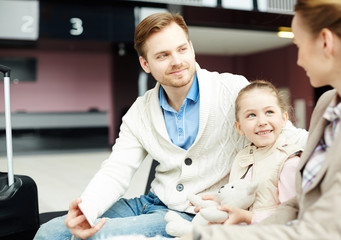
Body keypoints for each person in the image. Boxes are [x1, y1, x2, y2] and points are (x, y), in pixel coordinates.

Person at [34, 12, 307, 240]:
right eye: (163, 55)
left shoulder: (232, 88)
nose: (177, 61)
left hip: (195, 214)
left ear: (191, 47)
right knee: (50, 232)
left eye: (182, 49)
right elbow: (117, 169)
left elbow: (285, 133)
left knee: (102, 237)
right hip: (150, 202)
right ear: (145, 64)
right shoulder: (138, 112)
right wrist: (88, 209)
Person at [182, 0, 341, 239]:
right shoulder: (327, 103)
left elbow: (323, 230)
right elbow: (299, 204)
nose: (298, 60)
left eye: (298, 44)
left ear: (326, 42)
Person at [218, 80, 303, 225]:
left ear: (283, 119)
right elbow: (239, 198)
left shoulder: (289, 161)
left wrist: (248, 217)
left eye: (269, 112)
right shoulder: (241, 158)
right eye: (251, 115)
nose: (262, 121)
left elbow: (292, 216)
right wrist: (221, 204)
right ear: (239, 127)